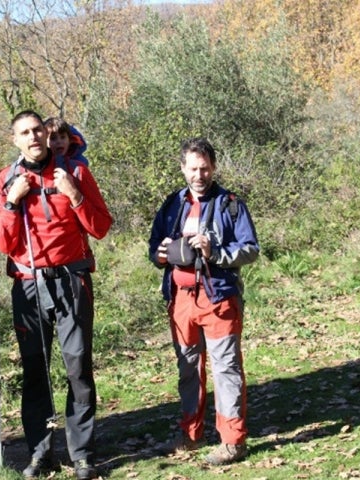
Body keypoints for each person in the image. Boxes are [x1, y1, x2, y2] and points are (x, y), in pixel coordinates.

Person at [0, 110, 112, 480]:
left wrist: (75, 196)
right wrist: (11, 202)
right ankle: (40, 454)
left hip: (72, 282)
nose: (33, 137)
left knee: (78, 368)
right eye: (24, 133)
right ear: (15, 140)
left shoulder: (76, 173)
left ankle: (82, 455)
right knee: (35, 371)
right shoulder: (5, 180)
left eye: (38, 130)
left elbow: (101, 227)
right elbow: (2, 242)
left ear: (47, 134)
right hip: (29, 285)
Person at [148, 137, 259, 466]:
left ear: (214, 168)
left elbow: (250, 249)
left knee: (226, 370)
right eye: (193, 168)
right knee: (188, 370)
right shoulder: (172, 205)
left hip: (218, 298)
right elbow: (153, 248)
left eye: (205, 168)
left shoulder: (230, 203)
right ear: (183, 168)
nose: (199, 175)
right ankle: (190, 435)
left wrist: (217, 253)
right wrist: (161, 254)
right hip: (180, 299)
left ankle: (232, 441)